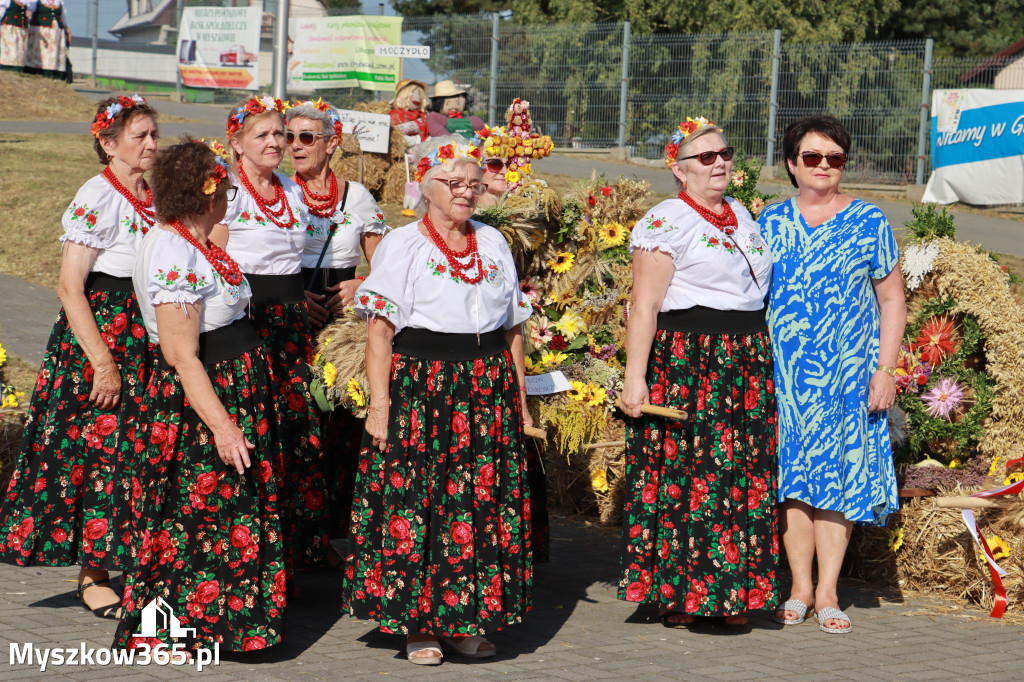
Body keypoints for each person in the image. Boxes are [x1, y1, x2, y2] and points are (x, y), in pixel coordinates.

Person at [341, 135, 534, 665]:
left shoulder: (493, 244)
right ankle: (419, 622)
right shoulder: (404, 244)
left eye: (473, 184)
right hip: (424, 386)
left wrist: (517, 397)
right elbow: (380, 331)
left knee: (475, 502)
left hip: (485, 385)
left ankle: (466, 617)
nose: (465, 192)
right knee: (421, 503)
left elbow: (514, 327)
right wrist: (380, 406)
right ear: (425, 186)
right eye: (453, 183)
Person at [113, 138, 286, 653]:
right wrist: (223, 425)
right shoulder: (171, 249)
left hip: (232, 386)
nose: (230, 199)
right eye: (226, 190)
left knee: (226, 513)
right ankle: (189, 628)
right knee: (199, 513)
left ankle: (233, 622)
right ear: (207, 195)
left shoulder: (197, 241)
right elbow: (182, 354)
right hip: (202, 399)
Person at [0, 95, 159, 619]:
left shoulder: (155, 195)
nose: (152, 144)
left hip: (146, 339)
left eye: (153, 134)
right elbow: (70, 287)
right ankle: (92, 573)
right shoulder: (97, 196)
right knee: (94, 454)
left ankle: (136, 559)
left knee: (135, 452)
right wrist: (103, 363)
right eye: (140, 136)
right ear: (108, 144)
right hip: (100, 340)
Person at [618, 117, 778, 630]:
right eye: (706, 158)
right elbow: (644, 306)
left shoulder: (742, 214)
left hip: (746, 358)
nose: (720, 164)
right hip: (691, 359)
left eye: (725, 154)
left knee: (739, 476)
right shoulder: (665, 220)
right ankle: (681, 594)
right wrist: (635, 378)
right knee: (691, 476)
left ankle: (736, 594)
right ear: (679, 170)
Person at [759, 114, 906, 635]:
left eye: (835, 158)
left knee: (839, 483)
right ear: (793, 165)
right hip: (786, 375)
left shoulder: (870, 222)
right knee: (795, 484)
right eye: (813, 158)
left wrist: (886, 370)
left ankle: (827, 593)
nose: (825, 167)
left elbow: (893, 301)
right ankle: (798, 587)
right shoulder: (769, 223)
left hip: (849, 378)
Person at [220, 96, 325, 574]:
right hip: (248, 320)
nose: (275, 142)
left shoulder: (292, 189)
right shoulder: (228, 192)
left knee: (297, 427)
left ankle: (300, 544)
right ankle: (253, 545)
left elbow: (293, 260)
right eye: (261, 134)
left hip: (289, 323)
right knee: (259, 427)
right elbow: (215, 260)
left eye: (279, 134)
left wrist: (300, 298)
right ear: (237, 142)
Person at [286, 98, 388, 544]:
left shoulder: (358, 197)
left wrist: (360, 286)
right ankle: (297, 535)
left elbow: (387, 267)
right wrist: (293, 298)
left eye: (306, 137)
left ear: (332, 144)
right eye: (288, 137)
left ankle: (331, 533)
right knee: (300, 420)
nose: (294, 146)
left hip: (342, 323)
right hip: (293, 315)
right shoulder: (280, 193)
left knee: (342, 423)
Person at [25, 0, 67, 80]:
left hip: (56, 33)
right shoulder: (36, 1)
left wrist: (67, 30)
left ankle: (52, 75)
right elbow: (28, 11)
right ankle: (36, 74)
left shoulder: (59, 2)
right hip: (41, 31)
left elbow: (63, 17)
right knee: (40, 54)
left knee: (53, 54)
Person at [389, 79, 428, 148]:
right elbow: (393, 132)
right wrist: (416, 140)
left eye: (419, 93)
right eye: (413, 92)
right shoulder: (394, 115)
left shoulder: (423, 116)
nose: (417, 97)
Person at [0, 0, 32, 73]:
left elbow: (28, 13)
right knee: (10, 47)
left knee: (20, 48)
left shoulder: (27, 2)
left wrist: (29, 16)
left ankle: (17, 68)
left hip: (21, 27)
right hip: (9, 25)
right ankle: (7, 68)